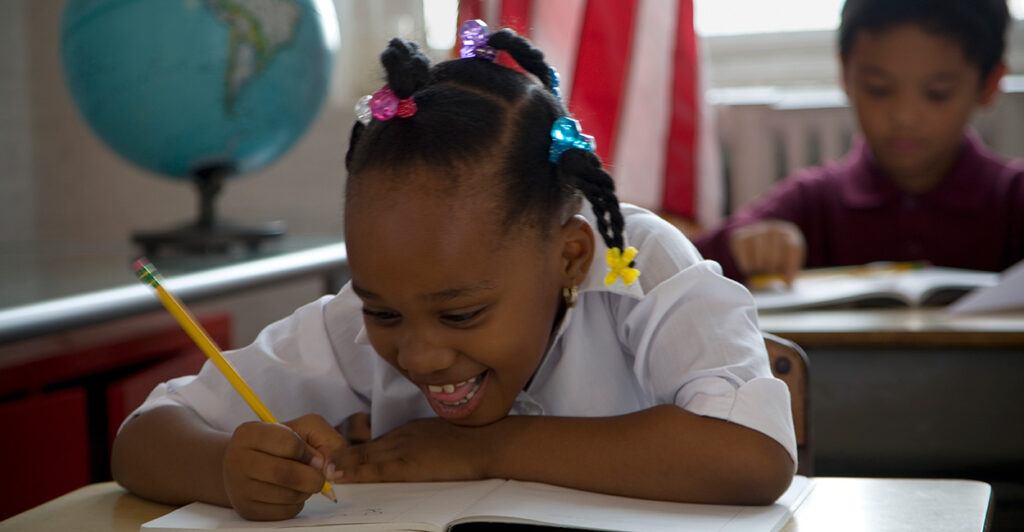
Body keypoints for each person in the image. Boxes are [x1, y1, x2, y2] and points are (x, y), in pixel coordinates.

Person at [111, 22, 796, 521]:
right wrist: (228, 470)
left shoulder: (639, 267)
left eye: (461, 314)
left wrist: (486, 448)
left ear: (570, 257)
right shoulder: (382, 308)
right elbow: (142, 440)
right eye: (383, 312)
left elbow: (755, 456)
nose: (419, 352)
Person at [695, 0, 1024, 285]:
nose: (904, 116)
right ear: (845, 73)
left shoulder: (1013, 200)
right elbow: (683, 265)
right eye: (878, 88)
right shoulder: (811, 203)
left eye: (937, 93)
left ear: (989, 84)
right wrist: (742, 248)